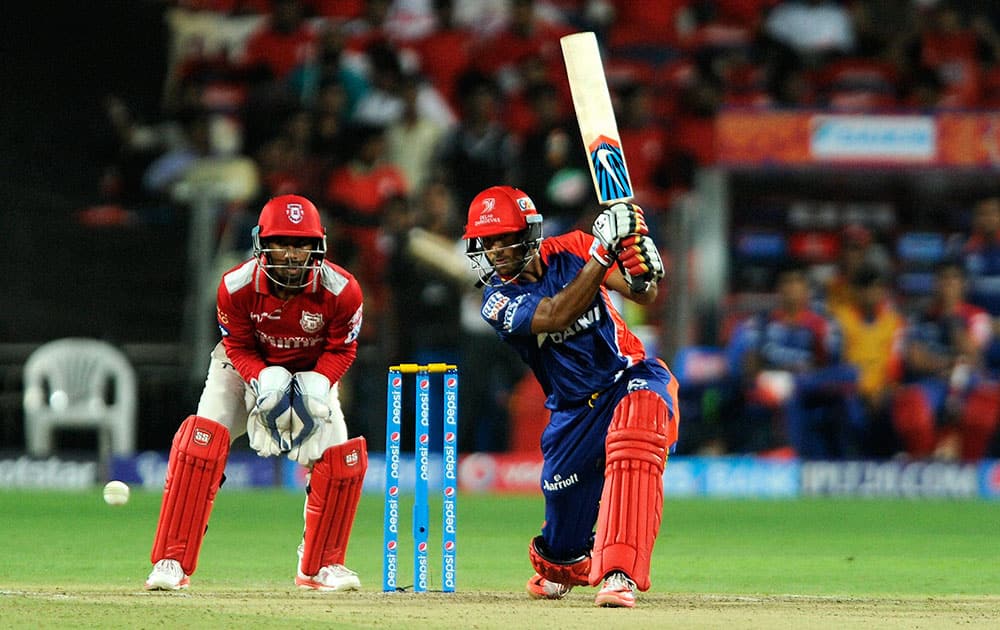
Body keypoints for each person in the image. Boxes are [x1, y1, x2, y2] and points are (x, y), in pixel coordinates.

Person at [462, 185, 678, 608]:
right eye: (488, 243)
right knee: (561, 553)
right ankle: (570, 563)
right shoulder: (496, 300)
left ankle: (620, 574)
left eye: (506, 238)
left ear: (530, 233)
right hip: (573, 412)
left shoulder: (575, 248)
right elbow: (555, 314)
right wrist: (602, 252)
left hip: (629, 376)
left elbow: (642, 292)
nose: (497, 251)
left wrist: (640, 260)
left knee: (638, 429)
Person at [144, 194, 368, 592]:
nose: (292, 254)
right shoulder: (235, 286)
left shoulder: (343, 290)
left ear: (318, 246)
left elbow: (342, 348)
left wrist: (318, 386)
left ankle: (319, 567)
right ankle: (171, 560)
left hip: (312, 373)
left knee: (339, 461)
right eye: (283, 242)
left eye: (302, 244)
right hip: (241, 370)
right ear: (262, 243)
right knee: (201, 445)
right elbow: (239, 346)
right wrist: (263, 381)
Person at [892, 260, 1000, 461]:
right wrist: (946, 364)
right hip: (932, 382)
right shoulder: (919, 317)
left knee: (986, 402)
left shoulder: (977, 317)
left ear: (963, 285)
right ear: (934, 283)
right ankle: (924, 466)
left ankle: (971, 467)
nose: (947, 285)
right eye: (943, 279)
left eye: (953, 279)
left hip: (970, 382)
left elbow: (972, 356)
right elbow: (915, 357)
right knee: (910, 401)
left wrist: (952, 319)